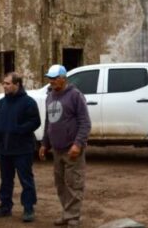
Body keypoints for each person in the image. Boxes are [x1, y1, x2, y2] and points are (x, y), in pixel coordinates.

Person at [38, 64, 91, 227]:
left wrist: (78, 144)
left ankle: (73, 216)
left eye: (54, 79)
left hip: (72, 149)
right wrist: (44, 144)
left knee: (74, 183)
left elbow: (85, 122)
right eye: (50, 79)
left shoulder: (75, 95)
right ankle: (67, 213)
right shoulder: (50, 96)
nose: (51, 82)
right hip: (57, 149)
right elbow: (49, 122)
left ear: (63, 78)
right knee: (60, 184)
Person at [0, 72, 41, 223]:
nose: (4, 86)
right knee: (6, 180)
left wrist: (18, 129)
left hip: (22, 149)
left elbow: (35, 122)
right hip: (4, 149)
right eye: (4, 83)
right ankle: (5, 206)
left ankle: (28, 208)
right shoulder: (1, 103)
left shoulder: (28, 102)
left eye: (7, 83)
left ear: (17, 85)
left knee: (26, 180)